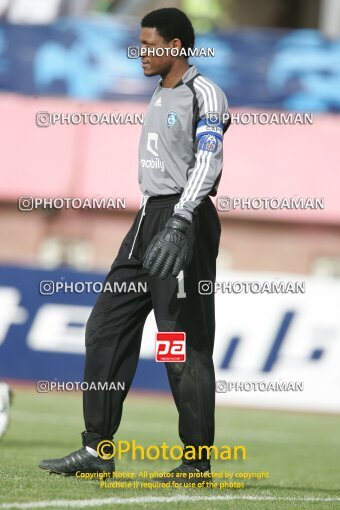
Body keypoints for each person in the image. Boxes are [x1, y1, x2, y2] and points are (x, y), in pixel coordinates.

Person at [39, 7, 230, 479]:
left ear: (177, 47)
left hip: (183, 220)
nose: (141, 53)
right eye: (140, 44)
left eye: (150, 45)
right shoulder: (159, 92)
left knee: (177, 343)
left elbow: (208, 161)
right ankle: (96, 449)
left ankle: (196, 460)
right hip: (147, 219)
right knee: (105, 328)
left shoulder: (204, 93)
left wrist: (182, 219)